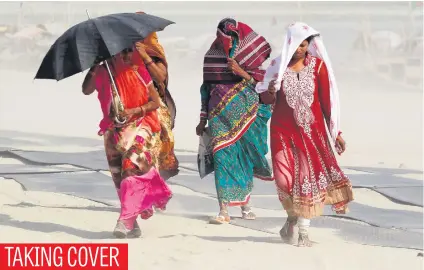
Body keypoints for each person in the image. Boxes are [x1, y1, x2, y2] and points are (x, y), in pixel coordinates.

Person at [256, 22, 353, 247]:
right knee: (284, 180)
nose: (300, 48)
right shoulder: (276, 67)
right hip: (282, 132)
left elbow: (326, 101)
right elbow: (265, 100)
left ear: (309, 44)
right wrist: (270, 91)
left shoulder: (318, 67)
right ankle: (292, 216)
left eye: (304, 44)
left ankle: (303, 232)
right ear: (289, 43)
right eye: (297, 44)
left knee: (306, 182)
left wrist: (335, 131)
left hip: (311, 133)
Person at [81, 47, 172, 238]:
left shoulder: (139, 70)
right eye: (124, 52)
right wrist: (94, 66)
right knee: (120, 180)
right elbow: (86, 90)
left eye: (130, 51)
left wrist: (134, 111)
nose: (129, 56)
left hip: (141, 126)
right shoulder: (104, 70)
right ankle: (133, 222)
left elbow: (155, 102)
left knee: (131, 166)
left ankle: (124, 221)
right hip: (113, 130)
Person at [196, 18, 273, 224]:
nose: (229, 41)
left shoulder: (251, 59)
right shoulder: (211, 57)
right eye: (225, 37)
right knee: (222, 160)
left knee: (244, 160)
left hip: (248, 117)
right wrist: (202, 119)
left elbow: (263, 88)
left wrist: (241, 72)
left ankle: (245, 204)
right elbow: (206, 90)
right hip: (219, 117)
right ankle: (223, 209)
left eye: (232, 37)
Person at [133, 26, 179, 180]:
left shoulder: (153, 51)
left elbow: (160, 77)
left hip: (154, 106)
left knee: (158, 147)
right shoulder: (124, 53)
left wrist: (145, 57)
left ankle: (157, 187)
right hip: (131, 106)